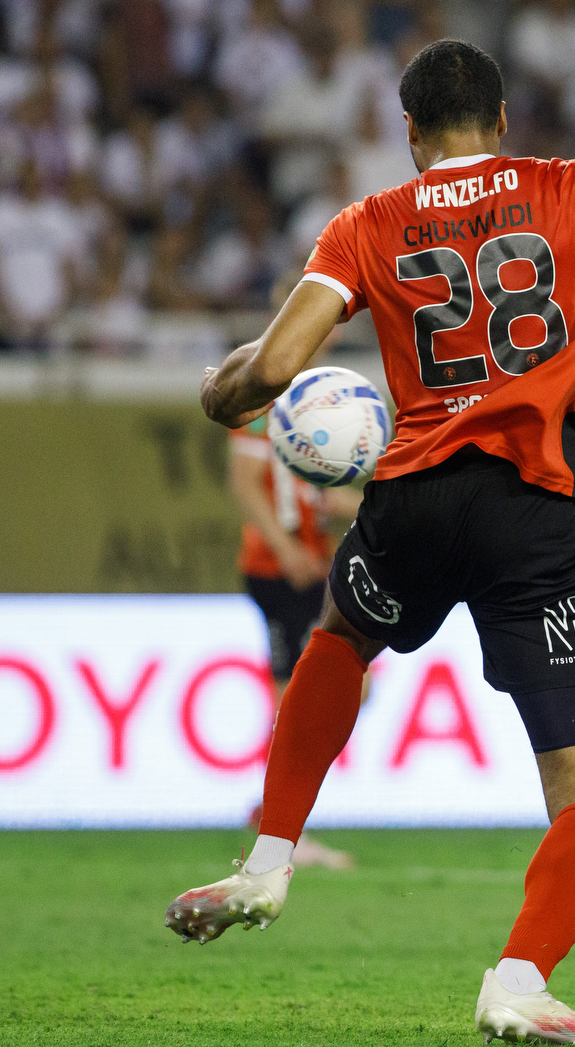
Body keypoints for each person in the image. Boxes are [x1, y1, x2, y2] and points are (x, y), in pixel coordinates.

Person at [164, 39, 575, 1046]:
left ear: (408, 133)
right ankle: (518, 980)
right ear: (501, 121)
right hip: (532, 508)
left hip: (411, 493)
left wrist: (223, 393)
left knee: (339, 639)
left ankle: (267, 861)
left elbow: (272, 365)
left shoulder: (367, 223)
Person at [228, 366, 362, 872]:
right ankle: (281, 831)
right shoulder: (262, 403)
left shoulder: (312, 406)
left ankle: (276, 816)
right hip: (280, 568)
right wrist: (285, 548)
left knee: (336, 690)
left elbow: (315, 497)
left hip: (310, 563)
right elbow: (244, 482)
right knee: (295, 698)